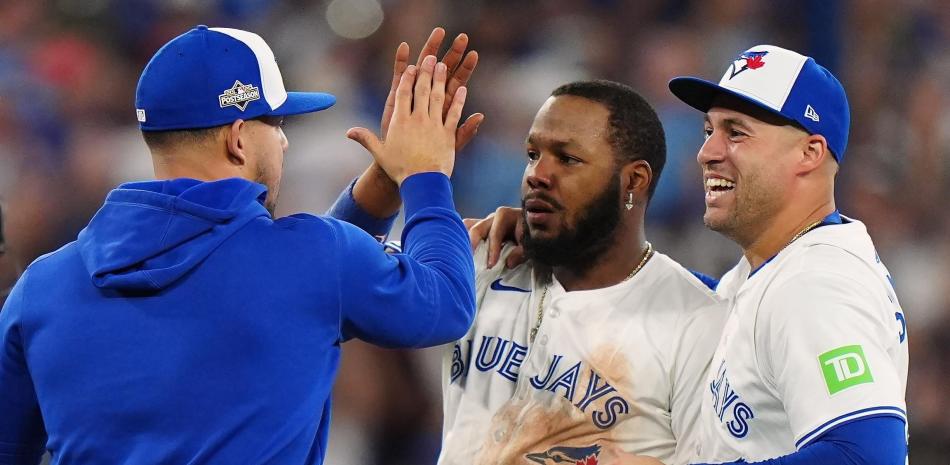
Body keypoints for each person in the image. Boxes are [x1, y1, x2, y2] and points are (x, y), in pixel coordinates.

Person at [0, 25, 477, 465]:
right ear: (238, 140)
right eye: (278, 125)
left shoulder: (39, 286)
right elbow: (448, 303)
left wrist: (381, 186)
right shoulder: (313, 260)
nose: (286, 144)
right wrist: (425, 176)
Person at [337, 75, 727, 463]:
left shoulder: (696, 323)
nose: (537, 175)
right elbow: (332, 280)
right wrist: (392, 176)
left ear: (633, 182)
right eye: (532, 154)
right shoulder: (481, 260)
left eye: (567, 159)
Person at [666, 45, 908, 464]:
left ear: (809, 153)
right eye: (709, 131)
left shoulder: (814, 284)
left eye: (736, 132)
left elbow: (867, 457)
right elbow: (709, 304)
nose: (707, 152)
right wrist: (569, 248)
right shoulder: (776, 264)